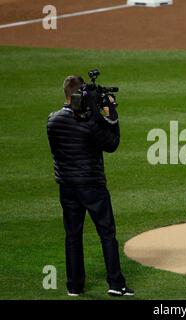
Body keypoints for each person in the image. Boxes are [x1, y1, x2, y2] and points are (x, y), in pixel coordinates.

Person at [47, 75, 134, 297]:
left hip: (66, 187)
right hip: (92, 186)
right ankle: (116, 283)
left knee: (73, 235)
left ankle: (74, 286)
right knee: (106, 233)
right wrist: (110, 113)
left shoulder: (52, 120)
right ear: (79, 95)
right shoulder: (88, 123)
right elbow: (112, 144)